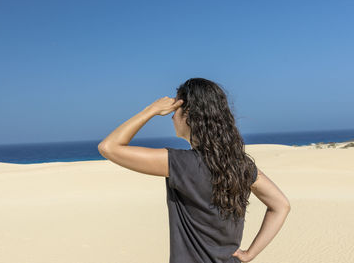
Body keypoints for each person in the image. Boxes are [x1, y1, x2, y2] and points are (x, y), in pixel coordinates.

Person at [98, 78, 291, 263]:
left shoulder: (183, 164)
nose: (172, 116)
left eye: (176, 108)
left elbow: (109, 147)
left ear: (189, 113)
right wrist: (250, 254)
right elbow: (281, 205)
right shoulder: (241, 166)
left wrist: (151, 110)